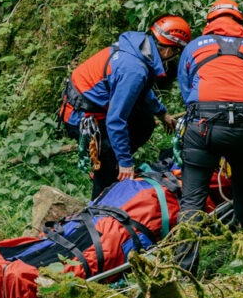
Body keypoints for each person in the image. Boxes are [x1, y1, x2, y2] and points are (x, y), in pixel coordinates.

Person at [177, 0, 243, 268]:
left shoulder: (192, 48)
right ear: (239, 23)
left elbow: (187, 92)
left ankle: (184, 269)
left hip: (203, 126)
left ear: (210, 23)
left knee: (192, 200)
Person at [60, 15, 191, 198]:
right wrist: (125, 161)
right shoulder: (134, 69)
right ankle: (101, 200)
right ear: (169, 51)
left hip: (95, 106)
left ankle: (113, 169)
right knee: (108, 161)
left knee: (145, 121)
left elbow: (142, 91)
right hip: (80, 116)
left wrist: (162, 114)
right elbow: (115, 120)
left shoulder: (139, 47)